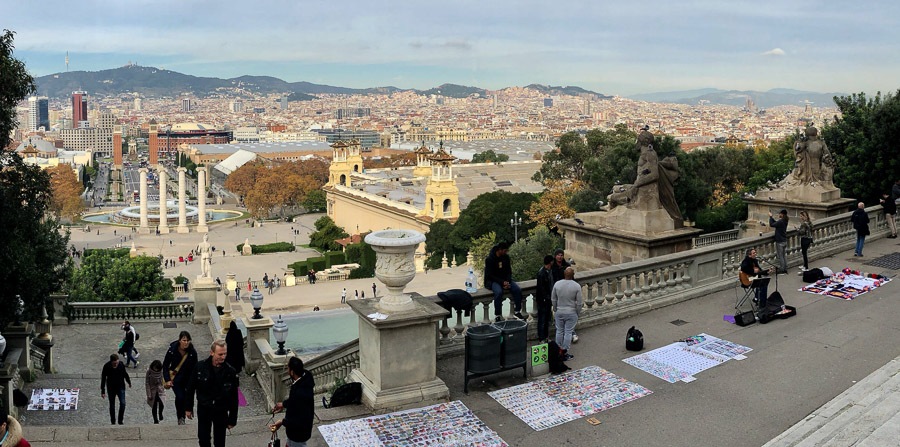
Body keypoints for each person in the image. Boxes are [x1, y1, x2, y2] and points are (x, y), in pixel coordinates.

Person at [185, 340, 240, 447]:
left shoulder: (230, 372)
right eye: (220, 354)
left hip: (221, 409)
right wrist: (188, 408)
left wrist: (232, 419)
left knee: (220, 441)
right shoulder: (200, 367)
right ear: (212, 353)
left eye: (225, 354)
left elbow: (234, 397)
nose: (223, 357)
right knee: (203, 439)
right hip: (204, 408)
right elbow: (190, 388)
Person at [269, 357, 315, 447]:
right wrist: (284, 404)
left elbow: (297, 418)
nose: (287, 370)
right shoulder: (305, 379)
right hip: (297, 431)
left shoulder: (300, 393)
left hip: (298, 432)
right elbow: (295, 402)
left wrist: (282, 422)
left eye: (288, 368)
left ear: (292, 372)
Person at [162, 331, 199, 425]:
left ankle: (187, 411)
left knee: (187, 396)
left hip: (188, 379)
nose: (186, 342)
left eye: (188, 340)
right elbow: (165, 365)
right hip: (176, 379)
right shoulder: (172, 350)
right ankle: (181, 417)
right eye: (184, 340)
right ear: (180, 340)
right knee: (180, 397)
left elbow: (196, 367)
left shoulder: (192, 352)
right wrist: (167, 380)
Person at [485, 242, 524, 322]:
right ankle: (498, 314)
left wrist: (507, 281)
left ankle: (517, 311)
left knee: (517, 290)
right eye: (505, 250)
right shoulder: (489, 259)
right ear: (500, 250)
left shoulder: (506, 257)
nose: (506, 252)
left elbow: (509, 271)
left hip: (505, 279)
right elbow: (490, 275)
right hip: (494, 280)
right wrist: (502, 282)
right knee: (498, 292)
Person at [551, 267, 582, 360]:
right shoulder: (576, 286)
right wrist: (577, 312)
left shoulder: (557, 284)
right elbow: (579, 303)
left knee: (559, 331)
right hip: (571, 311)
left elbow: (553, 299)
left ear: (564, 273)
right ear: (573, 275)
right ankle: (565, 352)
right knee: (568, 332)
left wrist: (556, 308)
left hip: (559, 311)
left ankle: (557, 351)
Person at [550, 248, 577, 343]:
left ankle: (571, 334)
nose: (560, 257)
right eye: (558, 255)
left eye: (561, 255)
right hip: (557, 292)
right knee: (563, 316)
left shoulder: (566, 265)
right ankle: (567, 337)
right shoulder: (552, 266)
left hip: (566, 293)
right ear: (555, 256)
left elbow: (572, 279)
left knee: (568, 315)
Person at [101, 353, 132, 425]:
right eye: (114, 363)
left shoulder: (121, 364)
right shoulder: (106, 366)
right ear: (111, 362)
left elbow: (125, 374)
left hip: (120, 386)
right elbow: (103, 378)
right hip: (111, 388)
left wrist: (128, 381)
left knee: (123, 403)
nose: (115, 365)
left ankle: (120, 420)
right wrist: (103, 391)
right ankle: (113, 421)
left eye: (116, 363)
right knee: (112, 405)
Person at [535, 254, 554, 343]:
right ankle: (541, 338)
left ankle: (545, 336)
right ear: (550, 262)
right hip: (543, 301)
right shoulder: (542, 273)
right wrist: (547, 298)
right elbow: (541, 289)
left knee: (546, 320)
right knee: (542, 320)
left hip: (547, 300)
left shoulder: (548, 271)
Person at [146, 360, 166, 424]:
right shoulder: (149, 371)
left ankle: (160, 413)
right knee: (154, 406)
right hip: (153, 391)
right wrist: (149, 393)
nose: (156, 370)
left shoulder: (161, 372)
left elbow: (164, 380)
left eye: (157, 368)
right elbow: (147, 383)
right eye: (155, 368)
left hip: (160, 390)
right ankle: (155, 419)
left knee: (161, 403)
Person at [769, 209, 789, 274]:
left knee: (780, 256)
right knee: (783, 255)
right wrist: (772, 218)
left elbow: (772, 224)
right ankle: (785, 267)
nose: (779, 214)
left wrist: (770, 217)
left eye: (780, 213)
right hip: (784, 240)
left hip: (780, 241)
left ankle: (782, 269)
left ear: (782, 214)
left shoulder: (781, 221)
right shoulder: (785, 220)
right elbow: (776, 223)